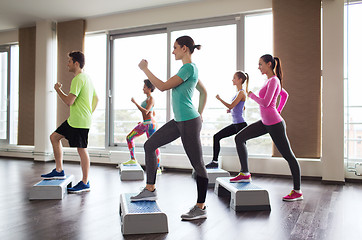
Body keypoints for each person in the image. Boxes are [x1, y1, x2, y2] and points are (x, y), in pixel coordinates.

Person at [131, 35, 209, 221]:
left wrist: (145, 69)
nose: (173, 51)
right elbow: (203, 92)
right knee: (150, 145)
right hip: (180, 121)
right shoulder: (189, 69)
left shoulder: (189, 68)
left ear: (184, 48)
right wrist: (200, 112)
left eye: (175, 47)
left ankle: (201, 207)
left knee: (197, 164)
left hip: (189, 122)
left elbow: (164, 86)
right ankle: (150, 188)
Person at [232, 54, 303, 202]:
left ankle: (297, 191)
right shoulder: (270, 81)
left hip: (275, 125)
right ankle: (245, 173)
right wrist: (278, 110)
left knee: (288, 156)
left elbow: (265, 103)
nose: (259, 67)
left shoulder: (274, 80)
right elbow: (284, 95)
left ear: (269, 64)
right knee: (239, 138)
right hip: (265, 122)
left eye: (260, 64)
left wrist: (251, 95)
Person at [41, 51, 98, 194]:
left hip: (79, 122)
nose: (67, 64)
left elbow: (69, 101)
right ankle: (59, 170)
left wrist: (57, 90)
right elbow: (96, 99)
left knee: (82, 150)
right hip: (76, 120)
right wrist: (88, 113)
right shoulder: (87, 78)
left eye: (69, 61)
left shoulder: (78, 79)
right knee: (54, 137)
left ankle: (85, 182)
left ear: (76, 63)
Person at [205, 71, 249, 169]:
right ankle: (214, 162)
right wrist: (232, 111)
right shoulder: (238, 93)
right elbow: (241, 107)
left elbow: (231, 105)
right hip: (235, 124)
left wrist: (220, 99)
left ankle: (245, 170)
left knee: (241, 148)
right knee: (216, 137)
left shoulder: (241, 93)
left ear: (240, 80)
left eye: (234, 78)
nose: (232, 80)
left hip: (241, 125)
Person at [123, 80, 162, 175]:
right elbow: (152, 112)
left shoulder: (151, 98)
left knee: (153, 145)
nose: (143, 89)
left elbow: (146, 112)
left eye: (144, 87)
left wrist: (135, 103)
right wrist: (143, 121)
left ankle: (158, 168)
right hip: (145, 123)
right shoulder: (147, 99)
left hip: (150, 125)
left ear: (149, 88)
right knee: (129, 137)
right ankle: (133, 159)